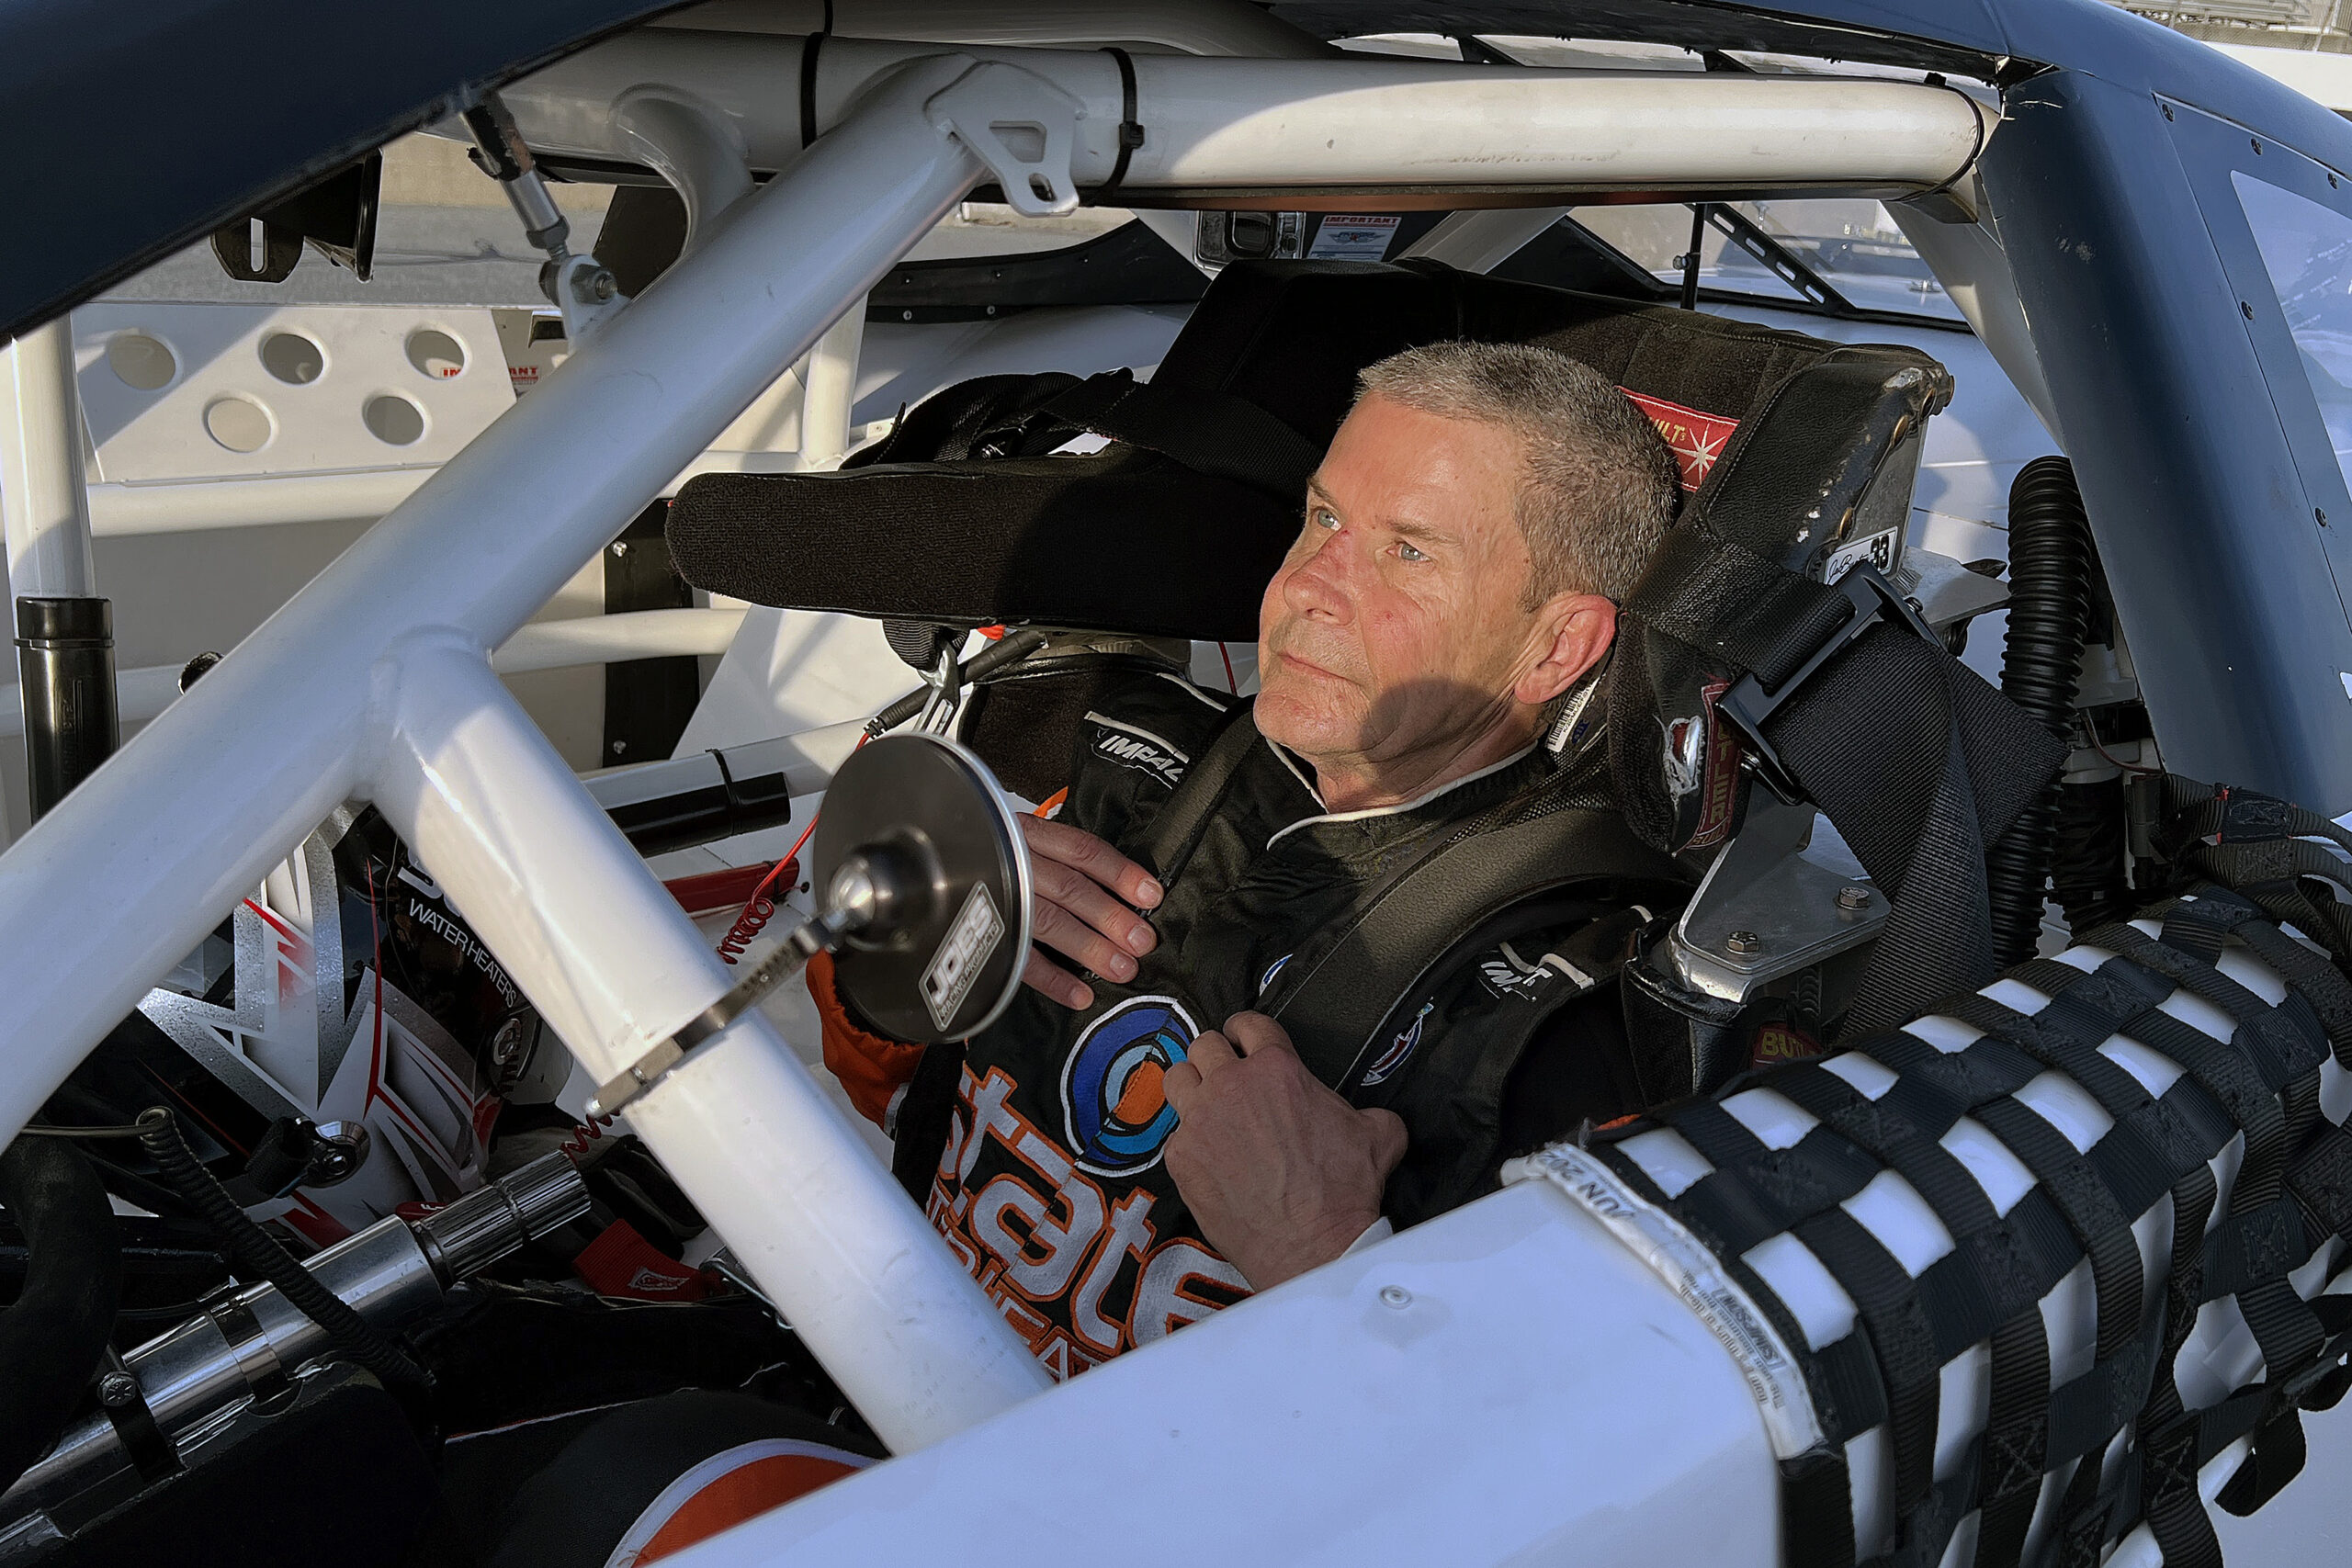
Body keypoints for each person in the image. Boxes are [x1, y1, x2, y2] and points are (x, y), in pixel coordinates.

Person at [808, 340, 1683, 1380]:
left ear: (1555, 647)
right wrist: (907, 942)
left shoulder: (1573, 1018)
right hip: (867, 1378)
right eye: (1323, 518)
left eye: (1409, 553)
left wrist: (1327, 1253)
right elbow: (883, 1090)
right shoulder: (1125, 760)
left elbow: (1570, 1446)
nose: (1309, 585)